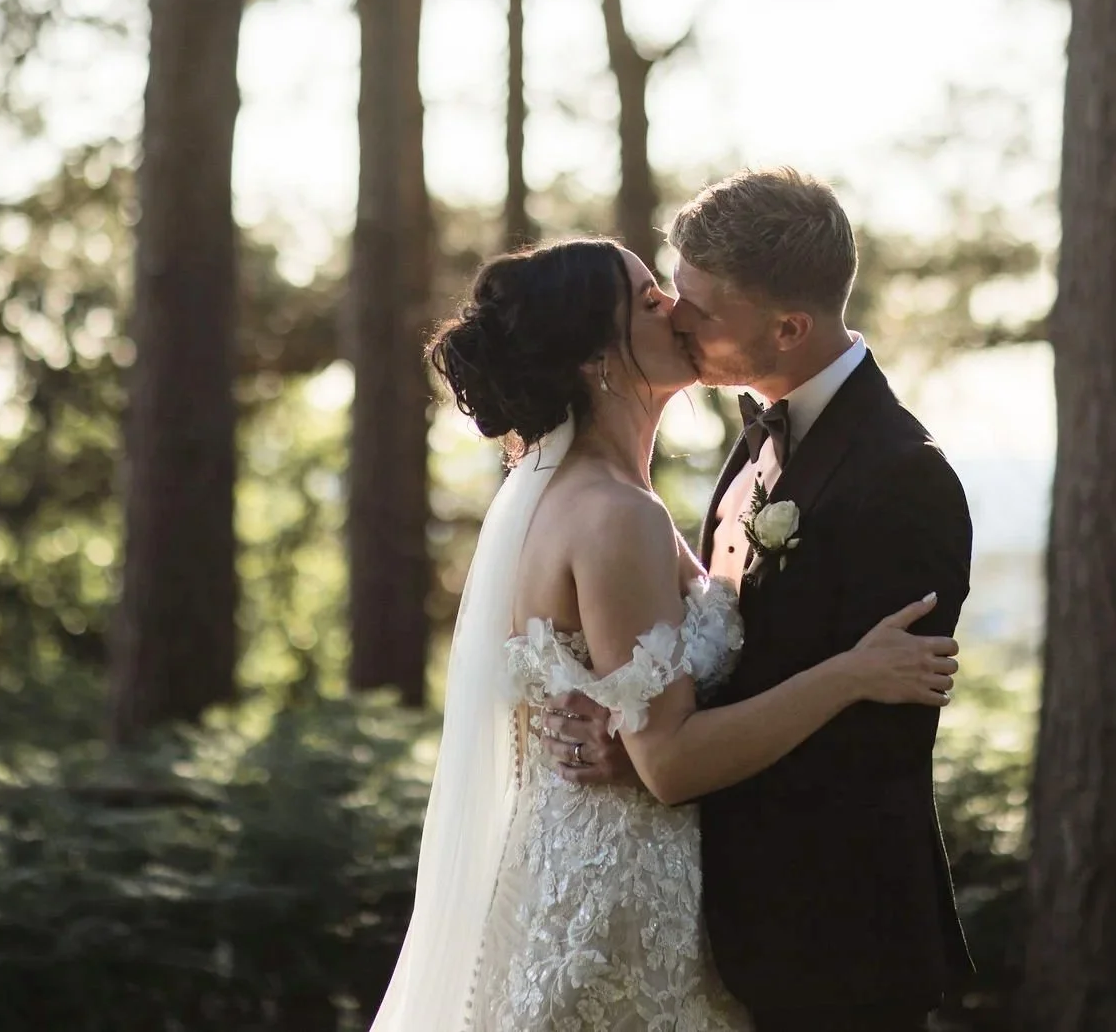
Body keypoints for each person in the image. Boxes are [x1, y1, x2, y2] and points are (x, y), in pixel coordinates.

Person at [368, 224, 962, 1032]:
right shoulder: (615, 514)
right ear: (598, 358)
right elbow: (673, 763)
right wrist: (851, 673)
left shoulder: (590, 495)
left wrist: (629, 734)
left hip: (636, 884)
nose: (676, 310)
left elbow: (655, 720)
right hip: (618, 904)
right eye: (649, 300)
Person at [535, 170, 975, 1031]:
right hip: (737, 931)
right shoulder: (753, 447)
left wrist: (660, 760)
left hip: (835, 941)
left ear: (788, 328)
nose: (674, 317)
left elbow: (871, 741)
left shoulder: (903, 479)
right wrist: (640, 730)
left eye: (701, 308)